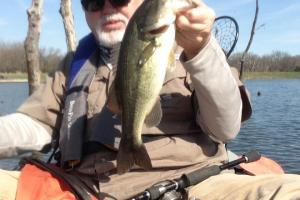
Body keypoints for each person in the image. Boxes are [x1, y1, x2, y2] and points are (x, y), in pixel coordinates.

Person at [0, 0, 299, 199]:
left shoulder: (191, 49)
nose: (105, 7)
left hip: (196, 185)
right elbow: (34, 124)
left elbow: (226, 128)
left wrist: (203, 51)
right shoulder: (75, 63)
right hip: (83, 188)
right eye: (92, 0)